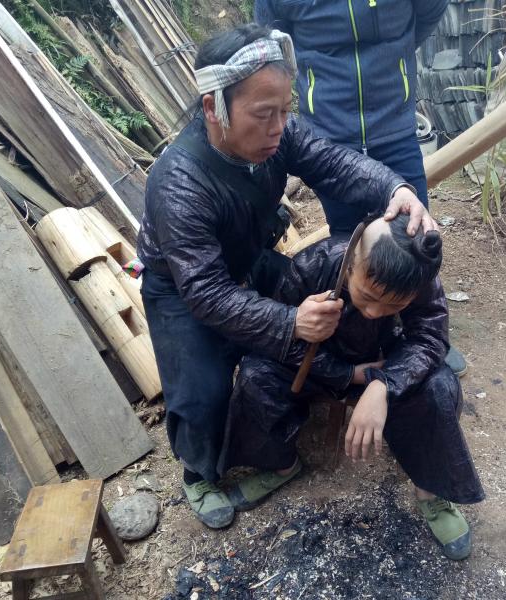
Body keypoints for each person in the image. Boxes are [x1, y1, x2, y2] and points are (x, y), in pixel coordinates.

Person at [137, 24, 435, 529]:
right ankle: (199, 472)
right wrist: (289, 321)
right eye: (262, 114)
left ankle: (367, 376)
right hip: (183, 286)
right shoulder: (178, 184)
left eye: (284, 110)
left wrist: (395, 189)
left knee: (326, 314)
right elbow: (206, 291)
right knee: (202, 392)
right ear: (213, 107)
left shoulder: (281, 133)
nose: (278, 128)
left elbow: (334, 163)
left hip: (249, 259)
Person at [220, 214, 485, 560]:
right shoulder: (314, 264)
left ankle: (431, 491)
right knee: (256, 375)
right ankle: (280, 464)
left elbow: (429, 339)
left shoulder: (419, 277)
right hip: (318, 366)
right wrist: (347, 374)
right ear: (350, 265)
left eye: (394, 305)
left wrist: (383, 384)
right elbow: (282, 337)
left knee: (439, 386)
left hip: (387, 366)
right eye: (367, 296)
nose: (375, 312)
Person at [254, 0, 470, 376]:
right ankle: (357, 336)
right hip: (329, 131)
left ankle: (424, 334)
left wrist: (393, 57)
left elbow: (429, 14)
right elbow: (274, 39)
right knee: (349, 242)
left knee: (414, 234)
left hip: (395, 126)